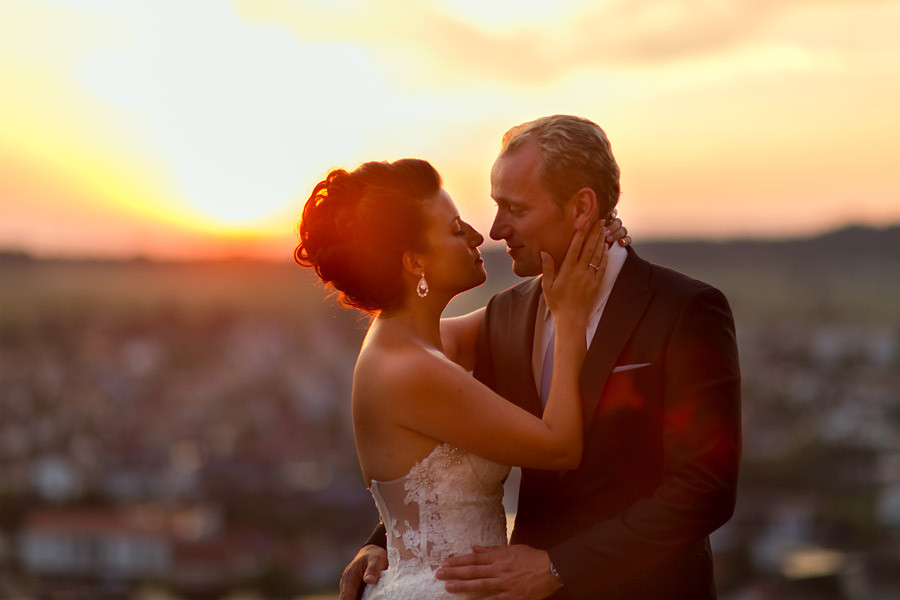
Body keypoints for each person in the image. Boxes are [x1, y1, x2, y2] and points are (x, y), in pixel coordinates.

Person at [341, 115, 742, 600]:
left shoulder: (683, 309)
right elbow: (426, 436)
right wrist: (388, 545)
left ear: (580, 208)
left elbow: (706, 490)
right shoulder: (506, 315)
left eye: (514, 208)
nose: (493, 229)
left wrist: (558, 568)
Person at [296, 158, 630, 599]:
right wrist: (569, 323)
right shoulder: (409, 369)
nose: (478, 236)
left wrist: (586, 244)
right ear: (415, 262)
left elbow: (524, 310)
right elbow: (559, 444)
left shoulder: (423, 343)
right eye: (456, 230)